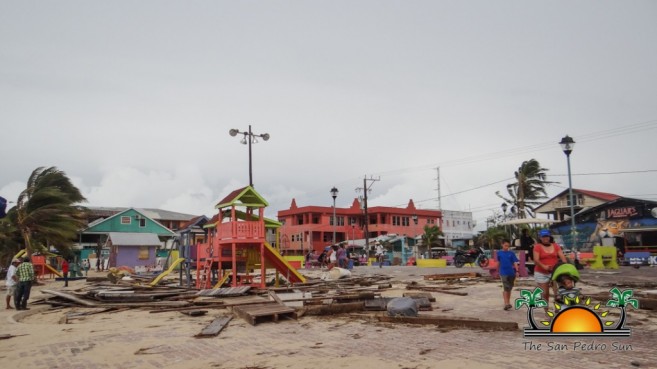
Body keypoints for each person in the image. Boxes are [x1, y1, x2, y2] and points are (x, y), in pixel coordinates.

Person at [532, 229, 567, 310]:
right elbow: (536, 260)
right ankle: (546, 310)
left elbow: (562, 257)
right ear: (540, 238)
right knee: (545, 293)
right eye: (543, 237)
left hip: (554, 271)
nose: (545, 238)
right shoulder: (537, 247)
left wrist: (564, 265)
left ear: (549, 237)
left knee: (557, 292)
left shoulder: (555, 246)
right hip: (541, 272)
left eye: (547, 236)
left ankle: (557, 309)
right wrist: (544, 266)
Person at [497, 239, 519, 311]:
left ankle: (508, 302)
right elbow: (498, 262)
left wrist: (517, 271)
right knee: (506, 287)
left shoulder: (511, 253)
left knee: (509, 288)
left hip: (511, 272)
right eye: (505, 245)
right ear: (502, 245)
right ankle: (506, 303)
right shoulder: (499, 253)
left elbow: (515, 262)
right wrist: (497, 271)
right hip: (503, 272)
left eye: (508, 246)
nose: (507, 247)